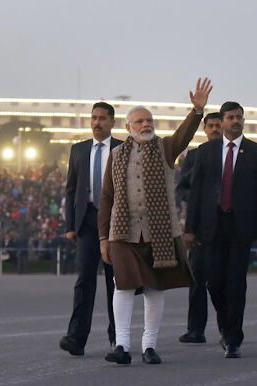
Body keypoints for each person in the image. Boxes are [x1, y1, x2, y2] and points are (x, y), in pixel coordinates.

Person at [99, 77, 212, 365]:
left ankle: (149, 345)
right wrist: (103, 238)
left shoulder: (165, 148)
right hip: (122, 233)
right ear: (128, 127)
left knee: (153, 288)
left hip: (159, 234)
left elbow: (184, 135)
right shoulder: (115, 155)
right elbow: (106, 199)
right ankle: (122, 346)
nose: (146, 125)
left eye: (149, 120)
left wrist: (197, 112)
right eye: (139, 121)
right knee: (122, 286)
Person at [185, 101, 257, 359]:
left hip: (240, 228)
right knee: (213, 282)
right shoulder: (206, 152)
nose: (236, 121)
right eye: (231, 117)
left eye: (239, 117)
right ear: (221, 122)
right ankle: (225, 325)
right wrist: (190, 228)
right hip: (211, 228)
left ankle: (233, 337)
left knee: (236, 283)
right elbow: (196, 193)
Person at [59, 102, 122, 356]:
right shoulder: (78, 151)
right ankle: (76, 338)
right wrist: (70, 225)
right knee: (84, 281)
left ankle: (119, 338)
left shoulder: (123, 149)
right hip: (86, 224)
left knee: (115, 283)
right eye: (94, 118)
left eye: (102, 118)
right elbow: (71, 189)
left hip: (117, 225)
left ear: (112, 122)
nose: (97, 123)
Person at [176, 112, 222, 344]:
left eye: (217, 125)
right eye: (210, 126)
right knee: (197, 279)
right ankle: (196, 329)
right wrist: (194, 201)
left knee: (222, 281)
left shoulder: (233, 155)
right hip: (200, 227)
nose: (214, 129)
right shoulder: (193, 157)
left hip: (226, 227)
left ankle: (228, 327)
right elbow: (181, 187)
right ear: (204, 130)